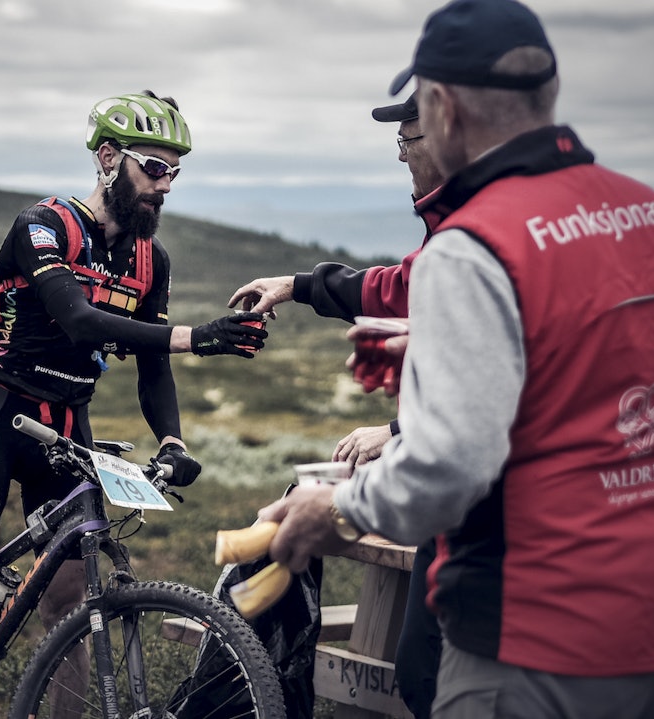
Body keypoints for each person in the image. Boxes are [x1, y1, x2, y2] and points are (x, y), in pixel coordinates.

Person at [259, 1, 654, 718]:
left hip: (533, 644)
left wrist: (334, 508)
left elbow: (448, 470)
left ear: (441, 106)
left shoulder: (473, 249)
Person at [0, 90, 268, 719]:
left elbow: (153, 366)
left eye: (175, 172)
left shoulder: (149, 259)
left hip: (66, 422)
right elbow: (80, 320)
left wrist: (172, 442)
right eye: (153, 168)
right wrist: (199, 337)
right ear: (108, 157)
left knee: (73, 611)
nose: (165, 186)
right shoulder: (44, 225)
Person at [228, 91, 445, 718]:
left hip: (510, 531)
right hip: (496, 523)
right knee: (425, 670)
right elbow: (401, 287)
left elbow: (509, 388)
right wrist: (298, 285)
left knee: (431, 675)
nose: (402, 157)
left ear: (453, 132)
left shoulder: (481, 232)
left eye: (409, 140)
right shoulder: (461, 228)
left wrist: (396, 438)